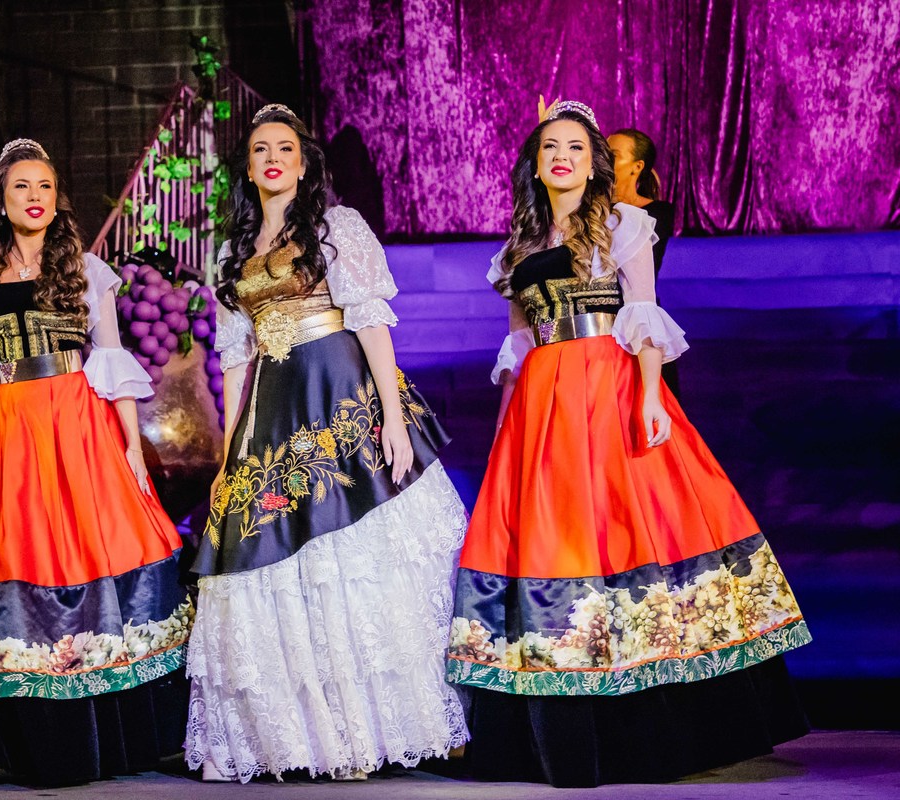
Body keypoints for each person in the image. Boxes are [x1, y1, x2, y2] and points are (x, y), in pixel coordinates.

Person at [445, 101, 811, 787]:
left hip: (606, 386)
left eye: (575, 148)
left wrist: (648, 397)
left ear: (594, 163)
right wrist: (504, 427)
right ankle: (556, 707)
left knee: (628, 528)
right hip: (543, 402)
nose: (562, 157)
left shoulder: (622, 224)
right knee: (554, 540)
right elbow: (519, 341)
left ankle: (656, 716)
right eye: (551, 147)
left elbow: (642, 315)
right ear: (536, 164)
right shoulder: (520, 242)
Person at [183, 104, 469, 783]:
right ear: (248, 167)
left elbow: (370, 322)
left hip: (337, 392)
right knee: (271, 558)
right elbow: (234, 360)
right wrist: (228, 455)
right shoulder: (232, 252)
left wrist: (393, 417)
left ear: (303, 163)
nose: (273, 158)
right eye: (261, 149)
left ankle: (368, 729)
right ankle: (299, 737)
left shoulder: (336, 228)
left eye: (285, 147)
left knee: (353, 555)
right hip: (271, 411)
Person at [0, 138, 193, 788]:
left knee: (93, 554)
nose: (34, 196)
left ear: (56, 198)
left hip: (77, 427)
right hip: (10, 431)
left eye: (44, 185)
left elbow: (112, 364)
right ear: (1, 201)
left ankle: (124, 732)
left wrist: (130, 448)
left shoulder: (85, 270)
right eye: (21, 186)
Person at [608, 126, 681, 398]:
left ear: (636, 167)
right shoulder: (589, 209)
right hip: (599, 324)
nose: (603, 157)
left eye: (613, 154)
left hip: (636, 322)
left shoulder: (656, 213)